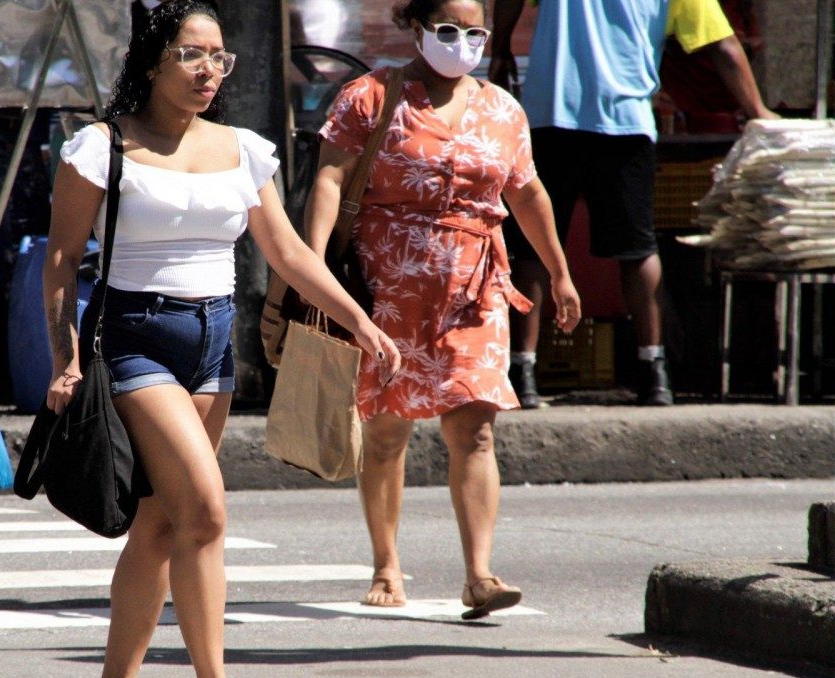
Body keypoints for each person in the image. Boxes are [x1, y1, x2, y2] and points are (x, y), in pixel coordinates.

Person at [43, 1, 400, 678]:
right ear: (152, 61)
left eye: (220, 57)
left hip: (212, 342)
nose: (210, 70)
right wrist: (65, 357)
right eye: (192, 55)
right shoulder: (101, 147)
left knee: (162, 521)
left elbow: (290, 253)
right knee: (205, 511)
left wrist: (359, 320)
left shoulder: (242, 148)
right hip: (136, 337)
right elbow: (60, 262)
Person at [306, 0, 580, 611]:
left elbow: (528, 192)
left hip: (476, 289)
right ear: (418, 28)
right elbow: (328, 179)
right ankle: (386, 567)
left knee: (476, 428)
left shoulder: (502, 109)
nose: (462, 42)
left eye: (474, 31)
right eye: (448, 30)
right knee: (385, 431)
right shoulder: (371, 97)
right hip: (388, 290)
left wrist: (560, 274)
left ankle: (479, 574)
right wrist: (314, 263)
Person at [490, 0, 778, 408]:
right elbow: (724, 45)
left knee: (532, 244)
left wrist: (500, 49)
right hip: (626, 123)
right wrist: (757, 112)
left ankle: (522, 372)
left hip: (550, 113)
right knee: (638, 248)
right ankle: (654, 373)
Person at [658, 0, 777, 135]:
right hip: (686, 101)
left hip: (727, 105)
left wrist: (758, 111)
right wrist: (758, 111)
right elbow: (725, 48)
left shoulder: (740, 7)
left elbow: (736, 45)